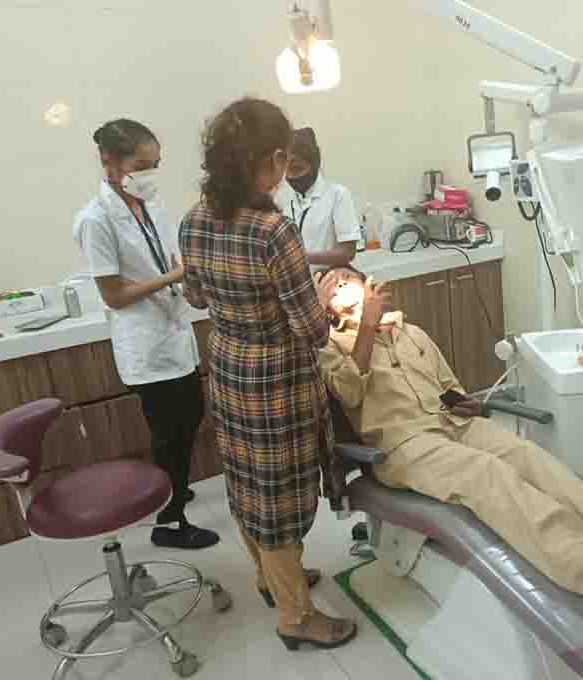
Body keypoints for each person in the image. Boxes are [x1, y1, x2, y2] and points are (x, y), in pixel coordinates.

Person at [318, 266, 583, 597]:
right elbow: (349, 392)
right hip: (403, 444)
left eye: (347, 278)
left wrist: (467, 404)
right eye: (331, 286)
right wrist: (367, 325)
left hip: (453, 422)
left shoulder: (412, 333)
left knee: (525, 454)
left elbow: (449, 386)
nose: (341, 283)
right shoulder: (330, 346)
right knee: (487, 472)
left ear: (368, 284)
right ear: (325, 307)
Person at [178, 98, 357, 651]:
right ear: (274, 158)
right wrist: (326, 301)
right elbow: (312, 329)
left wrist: (240, 309)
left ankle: (270, 579)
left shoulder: (193, 221)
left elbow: (195, 296)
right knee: (280, 499)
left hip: (228, 368)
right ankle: (295, 617)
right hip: (277, 381)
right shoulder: (273, 231)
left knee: (247, 484)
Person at [72, 119, 218, 550]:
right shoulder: (95, 220)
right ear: (109, 161)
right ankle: (169, 522)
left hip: (173, 330)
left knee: (189, 418)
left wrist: (190, 285)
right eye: (141, 165)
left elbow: (170, 260)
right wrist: (175, 276)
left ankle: (174, 488)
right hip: (146, 344)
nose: (150, 174)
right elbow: (114, 295)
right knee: (170, 432)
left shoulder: (151, 205)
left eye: (155, 164)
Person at [276, 127, 360, 270]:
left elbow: (347, 253)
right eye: (287, 170)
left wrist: (303, 257)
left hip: (326, 279)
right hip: (294, 280)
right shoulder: (282, 198)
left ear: (314, 164)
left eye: (298, 168)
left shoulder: (338, 195)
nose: (291, 176)